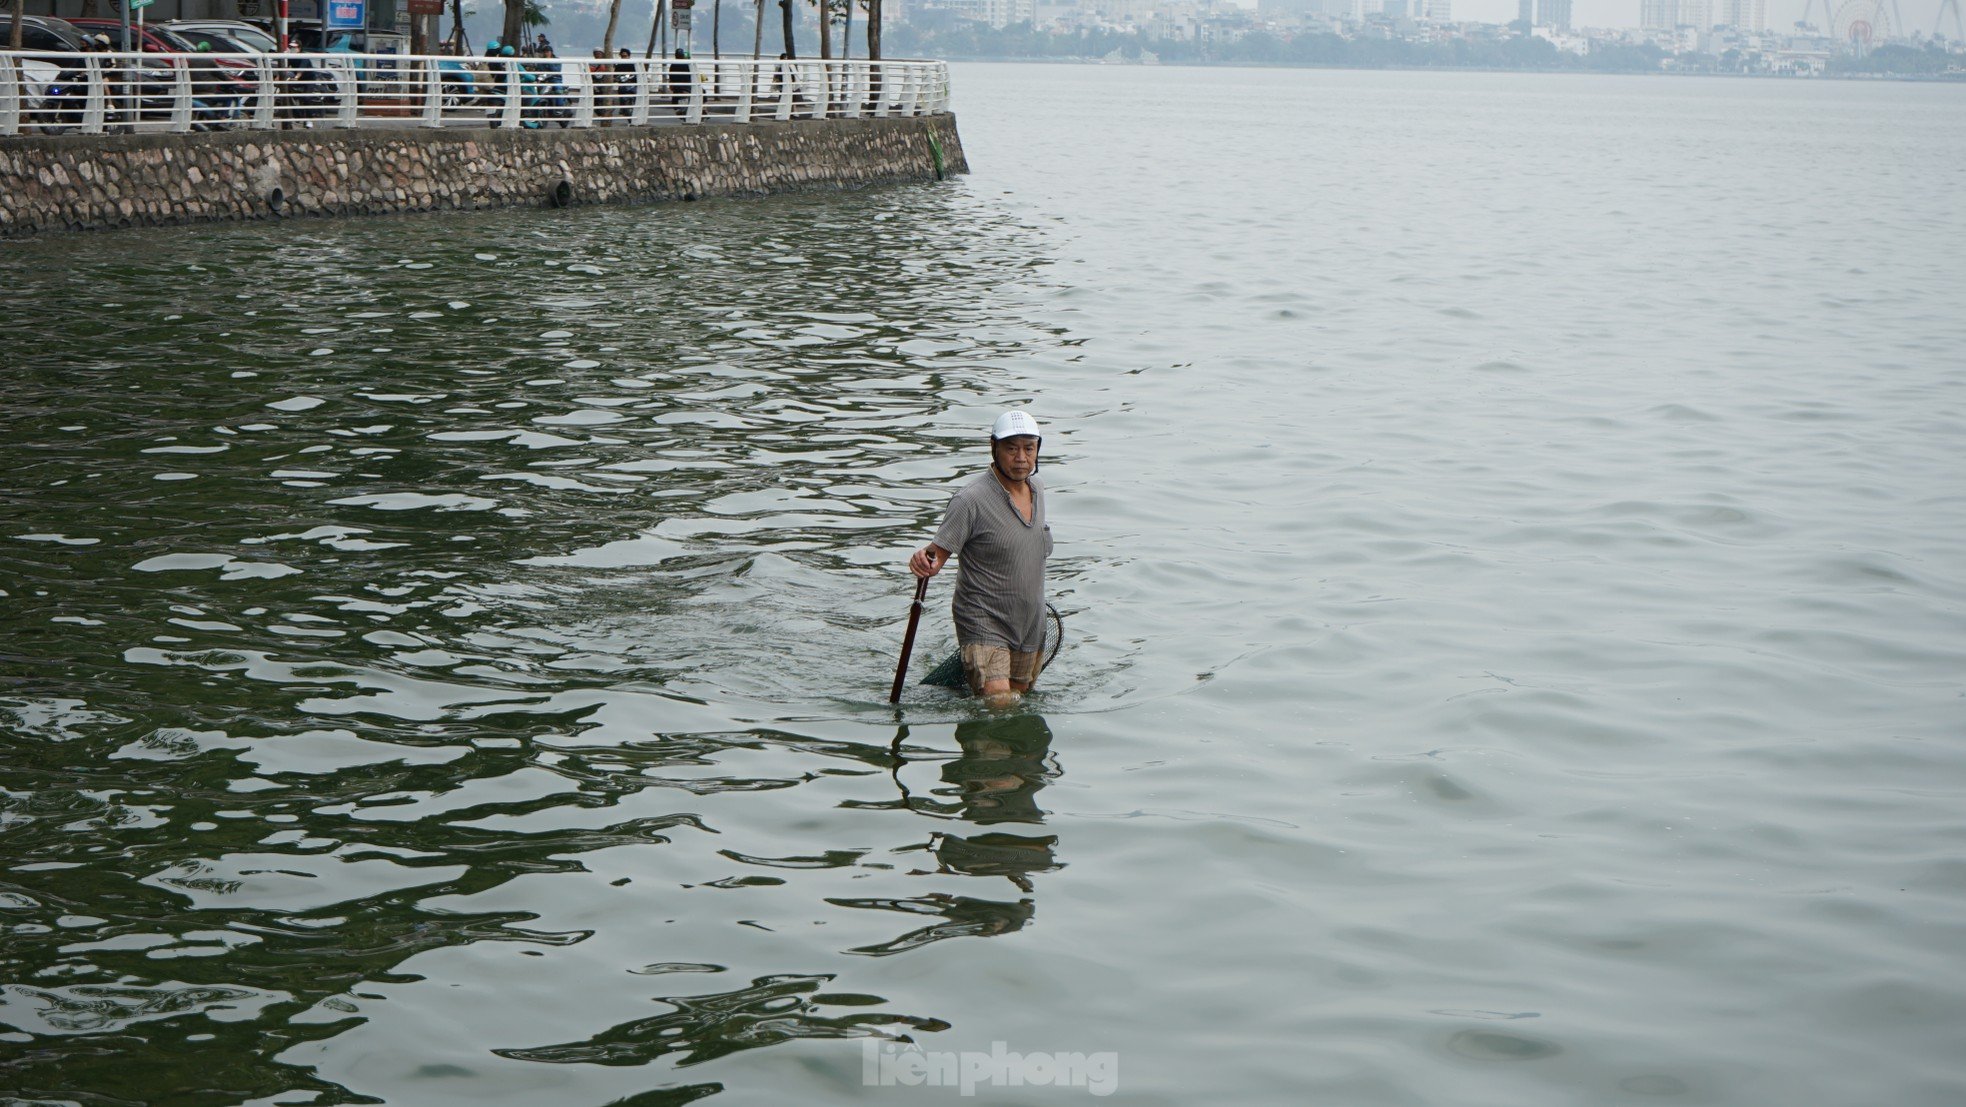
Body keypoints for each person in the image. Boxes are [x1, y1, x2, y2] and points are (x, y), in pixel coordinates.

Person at [909, 411, 1053, 707]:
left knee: (1018, 704)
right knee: (1000, 703)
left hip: (1030, 623)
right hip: (983, 619)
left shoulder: (1037, 489)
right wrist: (923, 560)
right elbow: (936, 555)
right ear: (994, 448)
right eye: (1011, 448)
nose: (1021, 458)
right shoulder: (970, 500)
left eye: (1029, 448)